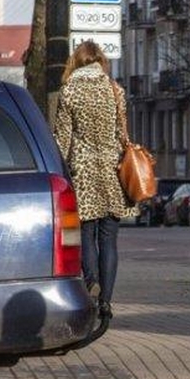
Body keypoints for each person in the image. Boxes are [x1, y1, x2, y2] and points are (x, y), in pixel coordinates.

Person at [54, 41, 137, 319]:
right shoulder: (115, 90)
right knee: (110, 239)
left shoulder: (69, 92)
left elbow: (63, 140)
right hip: (112, 172)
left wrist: (56, 169)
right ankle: (107, 301)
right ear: (100, 62)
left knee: (86, 234)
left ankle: (91, 282)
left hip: (84, 172)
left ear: (76, 63)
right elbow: (121, 132)